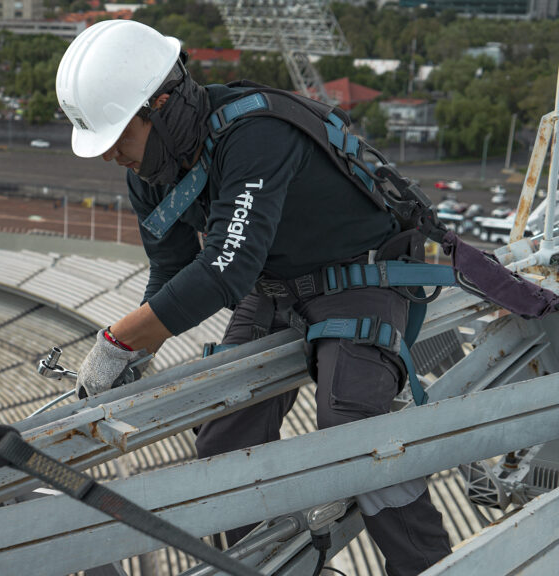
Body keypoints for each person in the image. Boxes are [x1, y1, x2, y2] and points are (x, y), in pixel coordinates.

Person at [56, 20, 452, 576]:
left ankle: (427, 566)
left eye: (118, 135)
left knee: (353, 426)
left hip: (363, 278)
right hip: (275, 288)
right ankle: (285, 567)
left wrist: (119, 342)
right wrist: (139, 351)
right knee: (224, 439)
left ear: (162, 105)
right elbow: (171, 268)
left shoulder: (256, 133)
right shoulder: (149, 170)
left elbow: (223, 271)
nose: (109, 155)